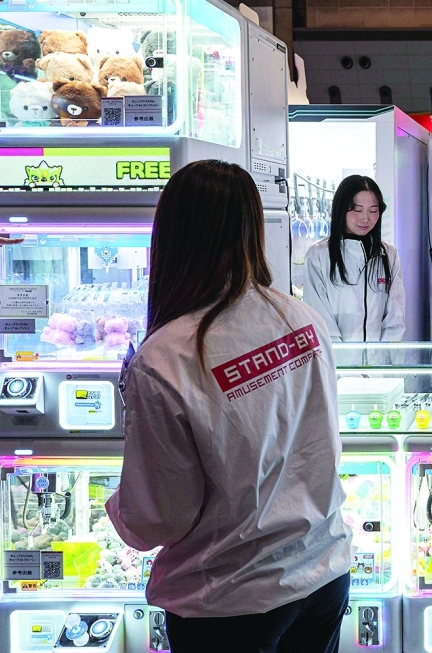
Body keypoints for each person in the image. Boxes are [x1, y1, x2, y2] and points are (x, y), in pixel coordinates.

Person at [106, 160, 351, 653]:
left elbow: (160, 517)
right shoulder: (299, 316)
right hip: (323, 572)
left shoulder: (166, 356)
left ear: (171, 235)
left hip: (229, 599)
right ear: (252, 229)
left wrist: (116, 511)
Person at [304, 175, 405, 342]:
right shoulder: (318, 255)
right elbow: (319, 318)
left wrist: (388, 363)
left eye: (373, 210)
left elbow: (395, 317)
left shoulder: (388, 254)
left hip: (380, 365)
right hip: (339, 363)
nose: (365, 218)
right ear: (341, 209)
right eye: (357, 210)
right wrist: (341, 364)